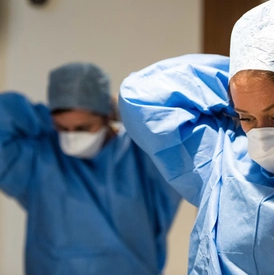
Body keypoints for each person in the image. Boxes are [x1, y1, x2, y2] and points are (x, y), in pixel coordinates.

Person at [119, 0, 274, 274]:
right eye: (247, 117)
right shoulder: (223, 152)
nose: (262, 133)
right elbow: (139, 94)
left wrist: (268, 76)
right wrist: (242, 79)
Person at [0, 62, 181, 275]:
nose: (71, 136)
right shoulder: (40, 157)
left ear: (107, 116)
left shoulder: (141, 156)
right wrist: (45, 117)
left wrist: (127, 112)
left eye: (83, 127)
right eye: (62, 127)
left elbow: (177, 123)